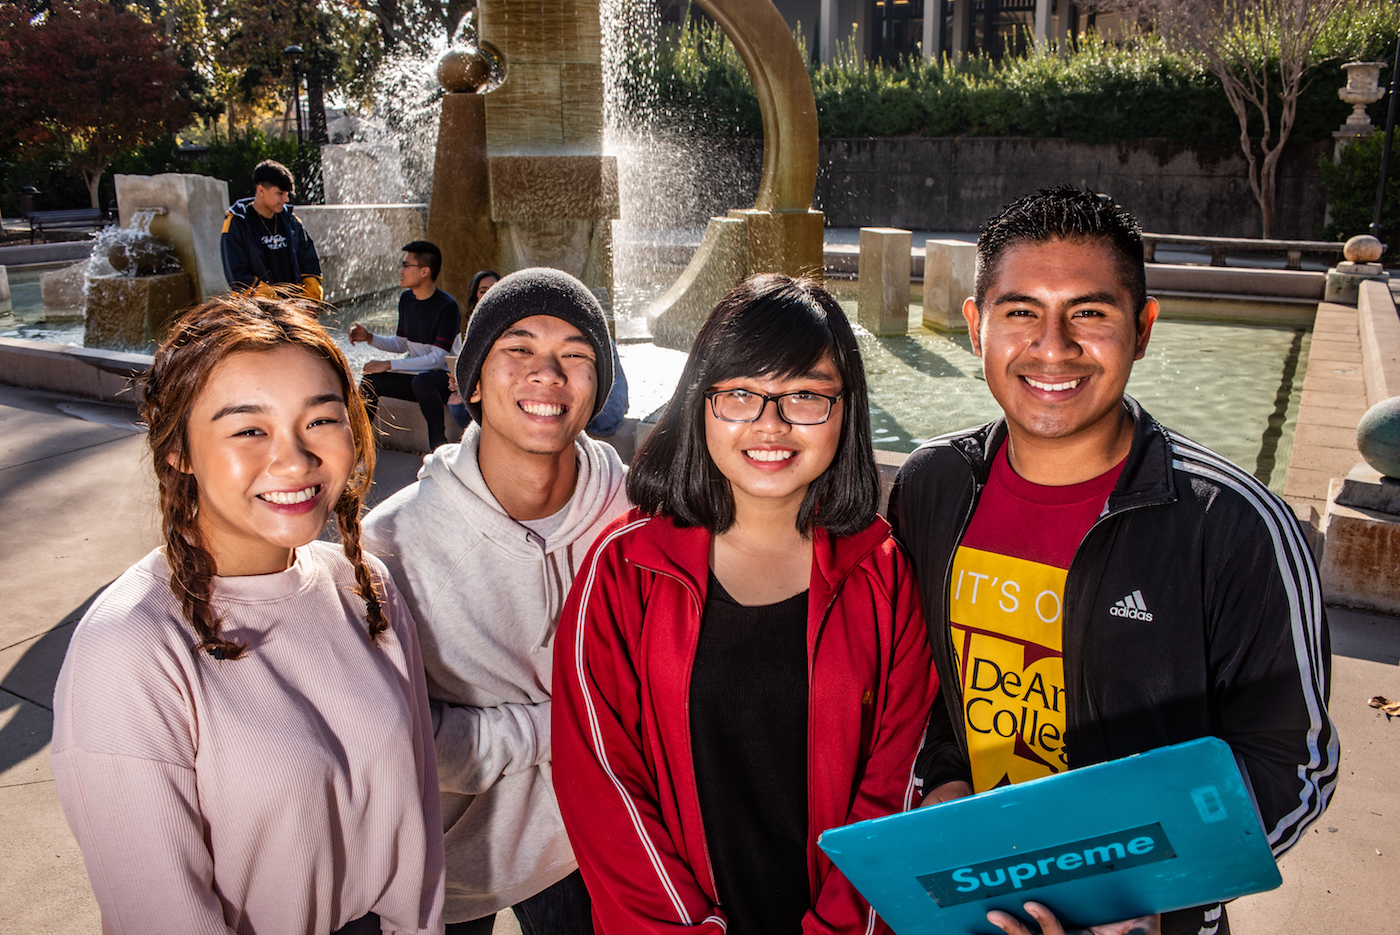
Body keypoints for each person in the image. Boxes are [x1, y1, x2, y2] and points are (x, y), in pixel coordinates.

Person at [888, 187, 1338, 935]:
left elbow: (1295, 758)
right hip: (977, 907)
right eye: (1021, 311)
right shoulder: (934, 485)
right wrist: (940, 782)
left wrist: (1150, 892)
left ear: (1144, 327)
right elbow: (921, 684)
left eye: (1089, 313)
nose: (1053, 345)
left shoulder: (1229, 522)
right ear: (975, 327)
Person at [552, 274, 937, 935]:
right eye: (740, 394)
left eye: (806, 396)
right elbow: (602, 788)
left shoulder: (882, 571)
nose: (771, 424)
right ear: (701, 402)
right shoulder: (623, 571)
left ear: (846, 410)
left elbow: (897, 783)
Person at [50, 293, 445, 934]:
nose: (294, 460)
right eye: (248, 429)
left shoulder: (363, 584)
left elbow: (418, 809)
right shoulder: (130, 647)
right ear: (177, 449)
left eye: (321, 420)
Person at [362, 267, 632, 934]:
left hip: (584, 844)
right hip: (447, 856)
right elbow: (402, 740)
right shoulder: (391, 544)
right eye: (519, 348)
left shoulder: (638, 521)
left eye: (576, 354)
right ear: (472, 380)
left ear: (596, 387)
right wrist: (563, 726)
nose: (549, 372)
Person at [350, 241, 461, 451]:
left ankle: (439, 448)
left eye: (406, 265)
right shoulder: (406, 300)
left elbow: (438, 359)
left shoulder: (447, 306)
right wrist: (369, 337)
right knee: (370, 381)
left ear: (424, 271)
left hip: (445, 380)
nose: (400, 271)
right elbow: (401, 343)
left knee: (424, 382)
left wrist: (389, 365)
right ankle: (356, 445)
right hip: (418, 377)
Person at [220, 159, 323, 301]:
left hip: (294, 310)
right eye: (280, 193)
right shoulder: (237, 223)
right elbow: (237, 275)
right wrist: (274, 301)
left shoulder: (291, 220)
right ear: (261, 190)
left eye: (287, 193)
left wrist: (310, 297)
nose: (286, 199)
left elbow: (308, 260)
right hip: (256, 312)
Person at [447, 269, 501, 429]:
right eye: (483, 291)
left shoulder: (513, 324)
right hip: (482, 385)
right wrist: (459, 380)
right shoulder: (473, 327)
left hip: (502, 383)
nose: (489, 294)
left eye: (495, 287)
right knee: (455, 400)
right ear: (475, 296)